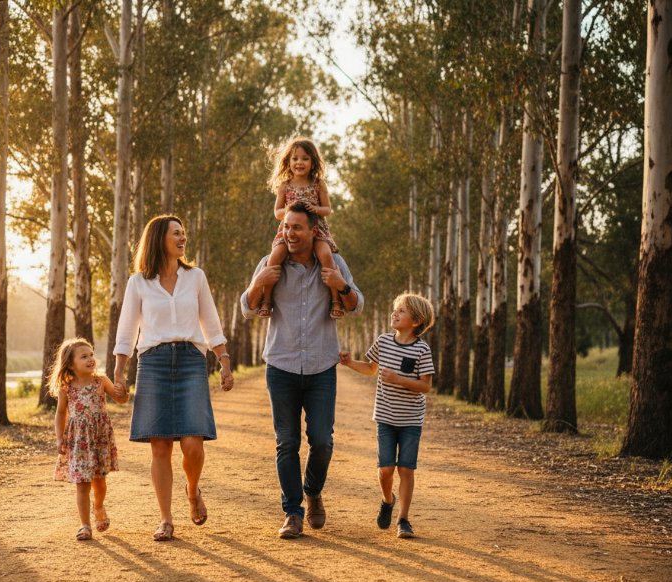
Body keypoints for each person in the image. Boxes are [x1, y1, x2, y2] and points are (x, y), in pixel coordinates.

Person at [240, 202, 364, 539]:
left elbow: (356, 304)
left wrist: (341, 285)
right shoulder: (270, 264)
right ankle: (292, 512)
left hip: (322, 366)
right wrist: (258, 283)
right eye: (286, 227)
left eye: (297, 227)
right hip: (281, 365)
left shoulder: (333, 263)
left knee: (322, 441)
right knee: (287, 442)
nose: (290, 233)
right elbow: (248, 309)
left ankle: (313, 491)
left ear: (314, 231)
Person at [113, 214, 234, 542]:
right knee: (161, 445)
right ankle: (166, 518)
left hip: (191, 362)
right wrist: (120, 371)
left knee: (193, 443)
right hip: (152, 363)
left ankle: (192, 490)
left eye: (184, 234)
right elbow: (127, 329)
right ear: (158, 239)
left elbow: (210, 321)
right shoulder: (138, 282)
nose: (182, 239)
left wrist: (223, 359)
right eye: (176, 234)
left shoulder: (195, 277)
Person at [339, 293, 435, 538]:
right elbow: (371, 368)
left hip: (411, 419)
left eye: (401, 311)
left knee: (406, 469)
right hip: (385, 417)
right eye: (395, 309)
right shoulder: (383, 341)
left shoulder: (422, 349)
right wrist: (350, 363)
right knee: (385, 470)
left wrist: (399, 379)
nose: (395, 313)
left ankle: (403, 519)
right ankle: (387, 500)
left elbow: (425, 386)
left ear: (416, 321)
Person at [258, 136, 344, 320]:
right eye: (295, 158)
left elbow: (327, 209)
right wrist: (290, 209)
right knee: (274, 257)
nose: (299, 162)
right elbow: (277, 212)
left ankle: (336, 301)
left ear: (313, 162)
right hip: (289, 230)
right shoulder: (285, 186)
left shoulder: (318, 184)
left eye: (305, 158)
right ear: (288, 161)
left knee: (327, 256)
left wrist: (315, 209)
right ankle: (266, 301)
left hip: (316, 229)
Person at [51, 338, 128, 541]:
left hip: (99, 438)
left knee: (99, 481)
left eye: (91, 355)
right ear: (70, 364)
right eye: (83, 356)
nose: (90, 359)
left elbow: (120, 399)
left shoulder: (101, 381)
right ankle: (85, 525)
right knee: (82, 483)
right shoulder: (66, 388)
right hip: (78, 440)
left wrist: (123, 390)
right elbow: (60, 413)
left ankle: (99, 505)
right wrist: (60, 438)